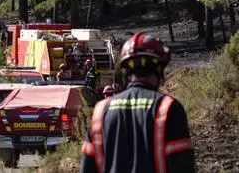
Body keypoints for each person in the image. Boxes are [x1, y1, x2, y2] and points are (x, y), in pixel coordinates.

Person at [80, 32, 195, 173]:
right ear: (158, 69)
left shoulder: (100, 111)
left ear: (126, 70)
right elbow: (182, 167)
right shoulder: (168, 108)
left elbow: (87, 168)